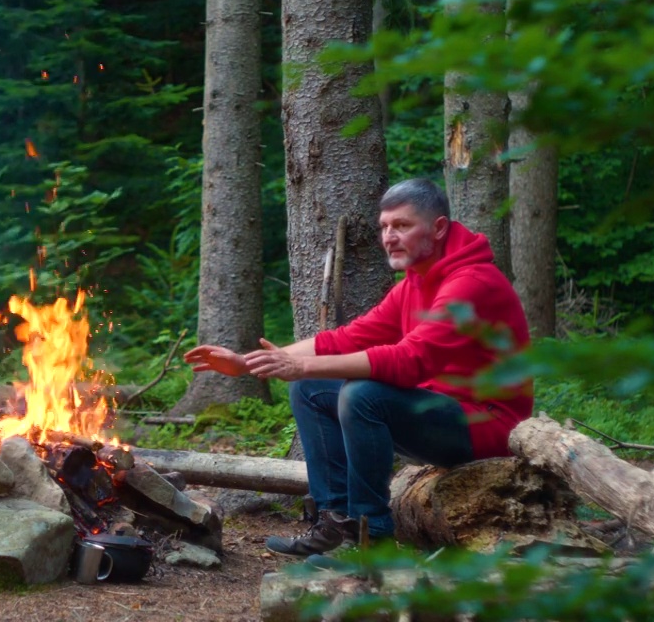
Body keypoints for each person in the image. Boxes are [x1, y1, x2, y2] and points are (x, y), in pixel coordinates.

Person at [183, 178, 532, 556]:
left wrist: (299, 365)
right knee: (310, 387)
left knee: (363, 394)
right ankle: (337, 523)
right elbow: (349, 337)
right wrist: (249, 364)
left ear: (439, 228)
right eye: (384, 227)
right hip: (438, 412)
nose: (389, 236)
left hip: (486, 425)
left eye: (402, 225)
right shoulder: (415, 283)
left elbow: (411, 361)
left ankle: (371, 538)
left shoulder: (471, 282)